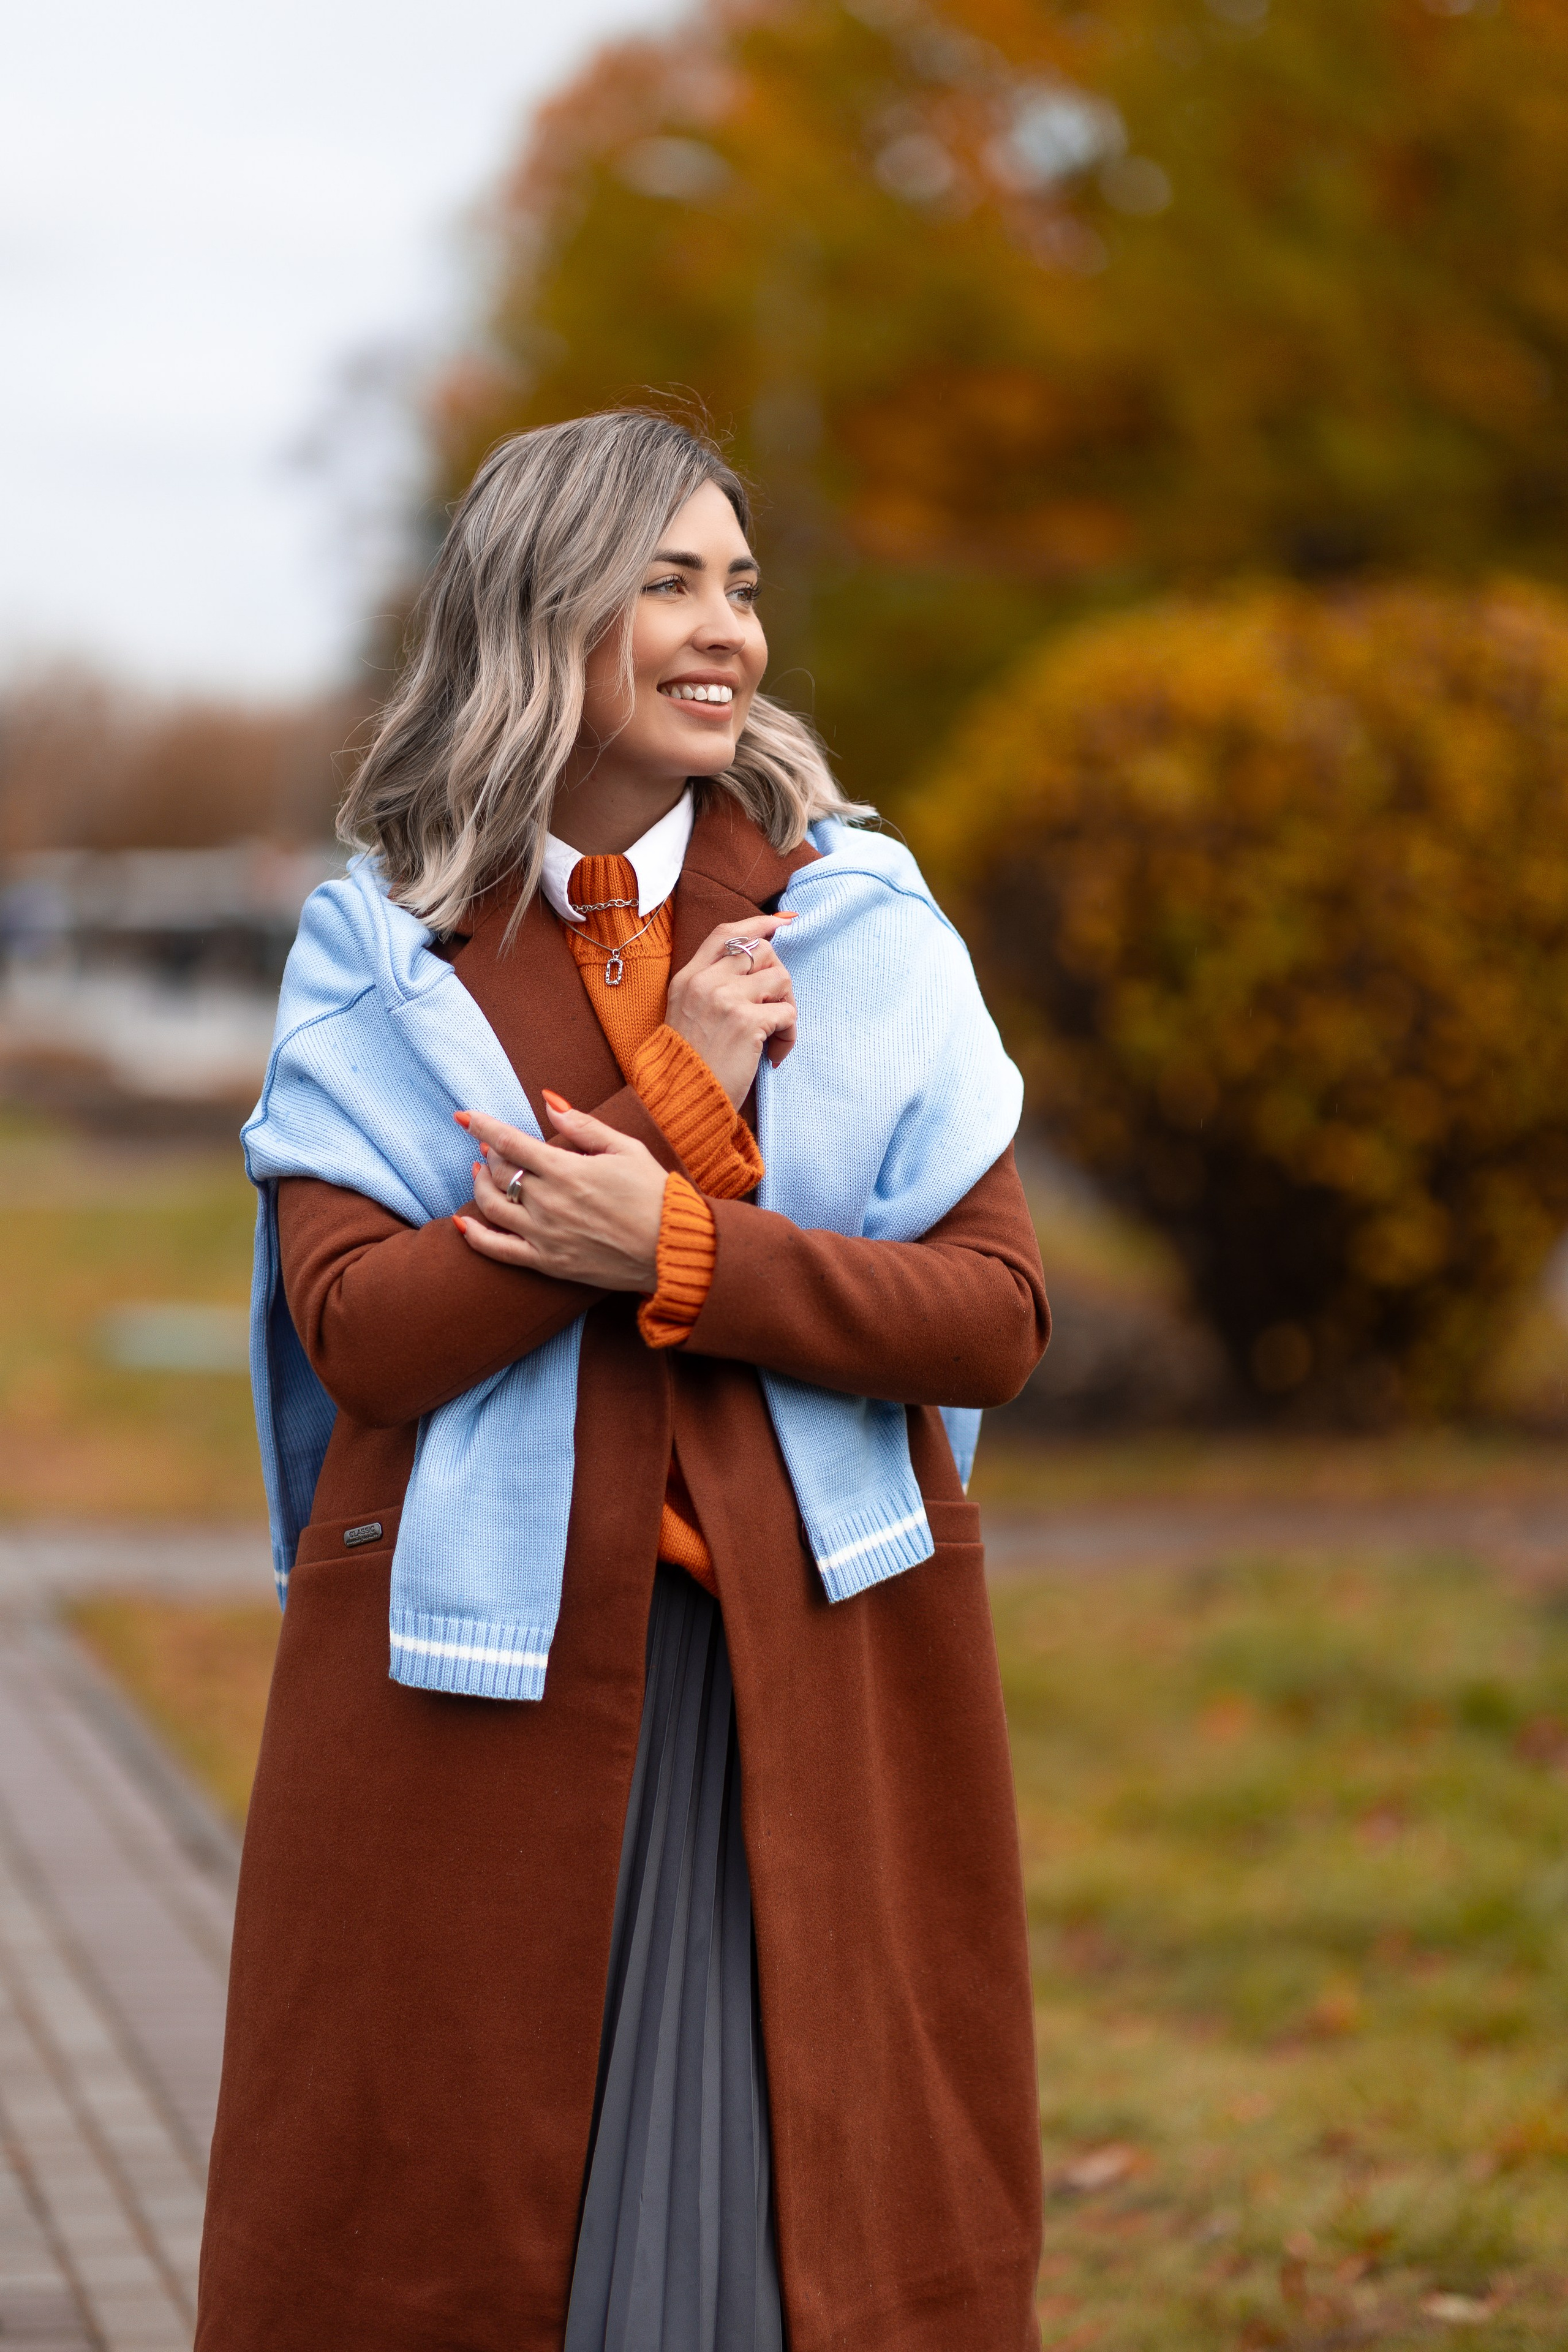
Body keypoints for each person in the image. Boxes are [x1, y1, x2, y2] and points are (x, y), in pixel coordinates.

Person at [195, 410, 1050, 2352]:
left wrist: (670, 1252)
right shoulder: (384, 948)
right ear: (538, 609)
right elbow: (368, 1336)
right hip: (473, 1716)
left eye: (738, 584)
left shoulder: (856, 925)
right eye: (665, 580)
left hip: (805, 1681)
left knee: (801, 2243)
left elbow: (991, 1314)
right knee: (445, 2239)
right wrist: (676, 1100)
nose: (721, 627)